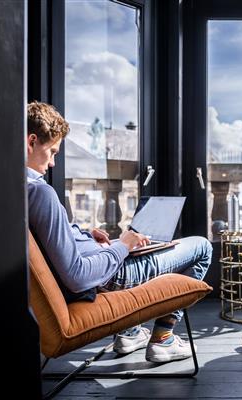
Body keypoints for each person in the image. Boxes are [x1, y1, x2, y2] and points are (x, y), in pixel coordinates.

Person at [26, 101, 212, 362]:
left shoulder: (17, 188)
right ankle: (163, 339)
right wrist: (122, 246)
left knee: (149, 241)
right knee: (202, 246)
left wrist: (83, 235)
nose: (53, 163)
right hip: (110, 276)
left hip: (102, 260)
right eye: (52, 152)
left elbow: (54, 245)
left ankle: (131, 332)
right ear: (31, 141)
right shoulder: (40, 192)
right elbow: (78, 276)